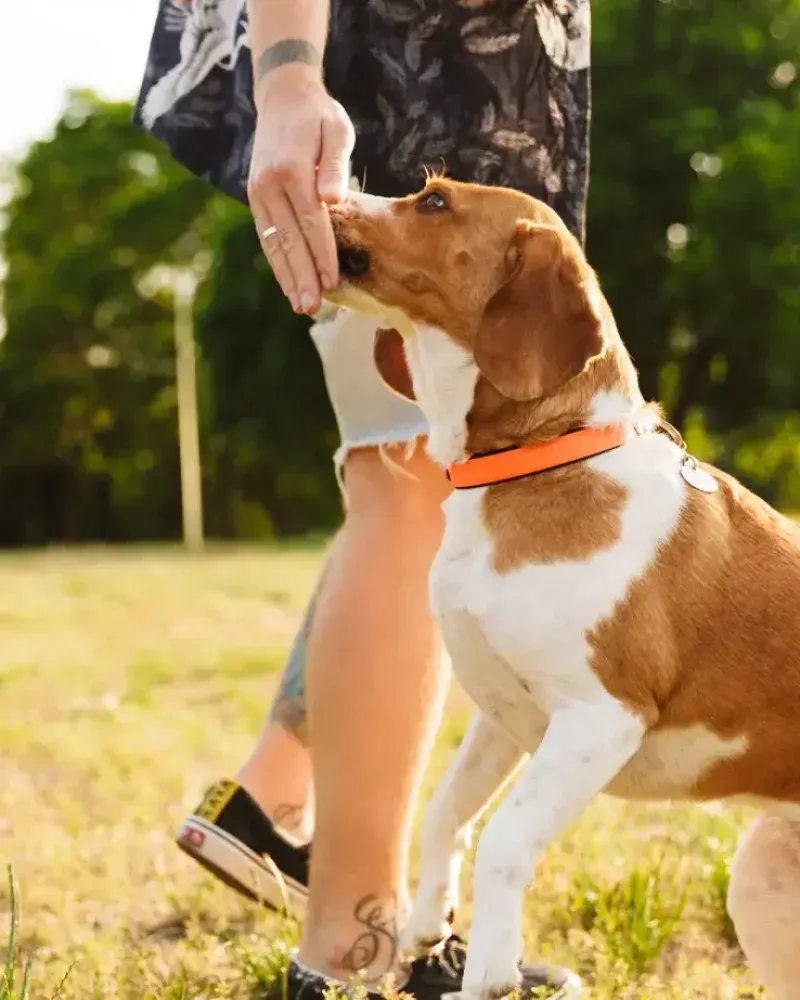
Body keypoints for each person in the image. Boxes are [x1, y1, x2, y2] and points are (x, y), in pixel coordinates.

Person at [134, 1, 590, 997]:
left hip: (445, 76)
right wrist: (291, 78)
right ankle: (353, 952)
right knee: (411, 483)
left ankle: (286, 801)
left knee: (399, 480)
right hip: (408, 72)